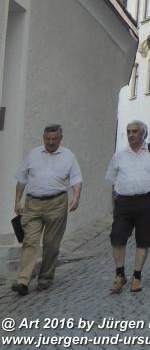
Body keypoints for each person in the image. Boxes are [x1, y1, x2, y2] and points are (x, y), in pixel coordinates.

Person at [11, 125, 82, 295]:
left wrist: (76, 197)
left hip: (57, 203)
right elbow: (21, 179)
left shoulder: (68, 156)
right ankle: (23, 281)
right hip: (33, 204)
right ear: (43, 138)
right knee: (29, 241)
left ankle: (45, 278)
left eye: (54, 139)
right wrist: (17, 201)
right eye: (47, 139)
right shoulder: (34, 154)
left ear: (60, 139)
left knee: (51, 244)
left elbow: (77, 179)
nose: (50, 142)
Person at [106, 120, 150, 293]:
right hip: (124, 202)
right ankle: (120, 275)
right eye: (128, 131)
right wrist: (116, 201)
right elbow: (112, 179)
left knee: (144, 239)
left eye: (135, 131)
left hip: (146, 202)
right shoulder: (119, 155)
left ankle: (137, 276)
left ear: (144, 134)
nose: (131, 134)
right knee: (117, 237)